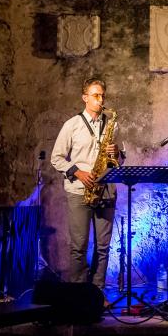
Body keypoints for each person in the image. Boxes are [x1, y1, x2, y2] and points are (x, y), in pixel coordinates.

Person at [51, 77, 123, 293]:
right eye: (96, 95)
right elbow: (56, 158)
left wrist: (117, 153)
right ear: (85, 98)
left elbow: (119, 160)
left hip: (105, 190)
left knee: (103, 247)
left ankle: (98, 292)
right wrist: (78, 172)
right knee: (78, 247)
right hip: (79, 191)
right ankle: (78, 295)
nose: (101, 100)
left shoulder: (112, 125)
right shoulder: (71, 125)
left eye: (102, 95)